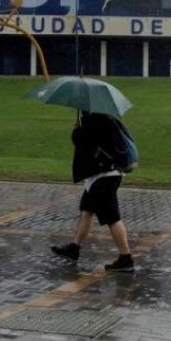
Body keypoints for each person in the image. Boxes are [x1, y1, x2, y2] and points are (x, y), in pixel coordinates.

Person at [50, 110, 134, 272]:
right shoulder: (106, 118)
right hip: (102, 176)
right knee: (86, 211)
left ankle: (126, 258)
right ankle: (74, 248)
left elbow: (82, 141)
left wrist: (76, 131)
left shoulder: (94, 122)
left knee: (112, 218)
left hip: (104, 177)